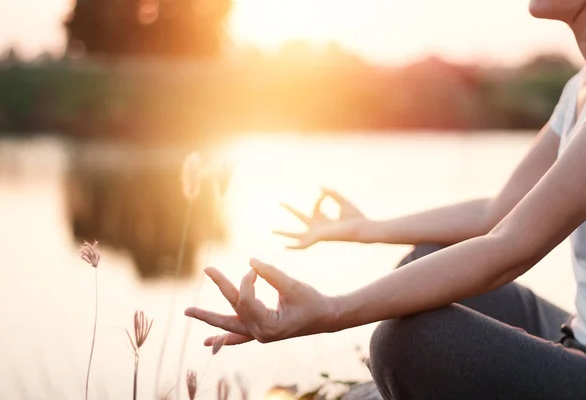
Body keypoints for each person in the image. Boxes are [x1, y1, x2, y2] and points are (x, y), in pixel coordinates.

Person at [184, 1, 586, 398]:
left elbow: (511, 247)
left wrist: (331, 311)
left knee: (408, 342)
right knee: (424, 264)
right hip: (574, 331)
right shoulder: (577, 89)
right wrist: (368, 228)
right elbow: (496, 212)